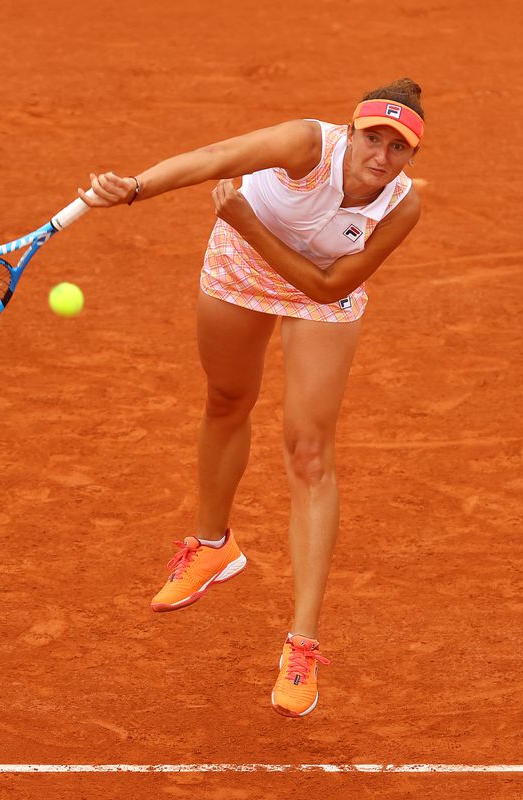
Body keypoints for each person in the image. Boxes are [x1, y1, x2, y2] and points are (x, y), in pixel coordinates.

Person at [80, 78, 424, 718]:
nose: (381, 156)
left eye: (397, 147)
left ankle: (302, 644)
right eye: (372, 138)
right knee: (226, 400)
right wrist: (134, 188)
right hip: (239, 266)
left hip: (317, 289)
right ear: (349, 132)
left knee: (310, 454)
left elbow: (328, 288)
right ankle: (213, 547)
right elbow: (216, 158)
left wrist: (244, 219)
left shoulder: (400, 207)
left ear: (411, 157)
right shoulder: (305, 145)